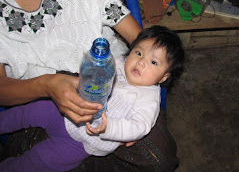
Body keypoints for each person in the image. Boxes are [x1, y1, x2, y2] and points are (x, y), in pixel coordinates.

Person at [0, 0, 179, 171]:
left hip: (108, 79)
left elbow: (140, 39)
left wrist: (147, 60)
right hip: (38, 92)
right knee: (36, 158)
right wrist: (46, 86)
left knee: (159, 160)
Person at [0, 25, 185, 171]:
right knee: (27, 112)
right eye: (138, 52)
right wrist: (90, 65)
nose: (141, 62)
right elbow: (87, 73)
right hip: (63, 111)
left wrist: (110, 127)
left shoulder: (149, 99)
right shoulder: (117, 62)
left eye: (153, 62)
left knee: (39, 162)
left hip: (84, 142)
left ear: (163, 77)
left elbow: (140, 126)